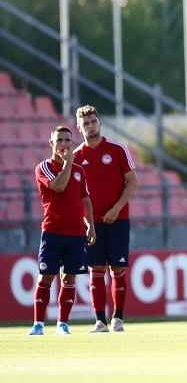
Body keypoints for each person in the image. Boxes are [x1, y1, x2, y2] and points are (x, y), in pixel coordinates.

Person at [28, 126, 97, 335]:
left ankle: (62, 324)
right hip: (53, 231)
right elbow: (58, 186)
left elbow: (85, 200)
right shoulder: (44, 167)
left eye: (68, 140)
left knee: (69, 278)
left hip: (76, 234)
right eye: (59, 140)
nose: (64, 145)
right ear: (51, 143)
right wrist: (67, 162)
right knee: (46, 277)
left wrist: (91, 225)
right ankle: (38, 324)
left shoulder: (79, 171)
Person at [75, 105, 138, 333]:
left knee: (118, 269)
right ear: (79, 128)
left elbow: (132, 181)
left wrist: (117, 208)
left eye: (93, 121)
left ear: (100, 122)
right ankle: (100, 321)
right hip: (93, 224)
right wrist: (88, 221)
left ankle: (118, 319)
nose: (90, 126)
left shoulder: (117, 149)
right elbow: (76, 194)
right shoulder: (76, 157)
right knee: (96, 270)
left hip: (118, 219)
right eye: (86, 123)